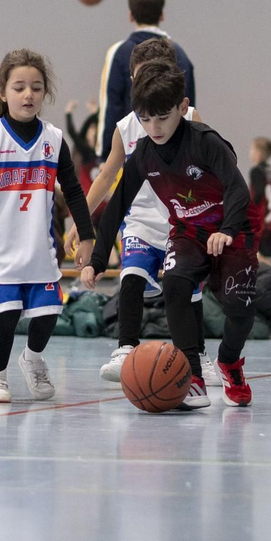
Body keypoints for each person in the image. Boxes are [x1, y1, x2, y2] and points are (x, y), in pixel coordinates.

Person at [82, 60, 258, 408]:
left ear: (183, 106)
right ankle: (193, 377)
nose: (154, 127)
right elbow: (117, 205)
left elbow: (238, 188)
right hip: (188, 231)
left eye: (162, 117)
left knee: (239, 308)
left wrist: (226, 230)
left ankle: (229, 361)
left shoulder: (205, 142)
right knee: (175, 282)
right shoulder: (144, 154)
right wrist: (98, 260)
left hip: (232, 229)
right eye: (145, 119)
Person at [0, 50, 94, 404]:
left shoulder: (54, 139)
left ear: (45, 94)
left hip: (39, 248)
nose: (28, 95)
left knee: (49, 313)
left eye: (36, 88)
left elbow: (73, 190)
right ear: (2, 92)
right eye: (19, 87)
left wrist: (87, 236)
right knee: (6, 314)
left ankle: (33, 359)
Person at [80, 37, 210, 385]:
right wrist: (80, 219)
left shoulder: (189, 117)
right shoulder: (126, 127)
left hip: (181, 220)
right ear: (133, 81)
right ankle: (125, 348)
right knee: (131, 277)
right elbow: (107, 176)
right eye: (143, 77)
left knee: (189, 290)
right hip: (139, 218)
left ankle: (198, 355)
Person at [97, 0, 195, 160]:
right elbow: (188, 102)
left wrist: (105, 153)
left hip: (131, 149)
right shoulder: (179, 53)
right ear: (162, 15)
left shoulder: (119, 52)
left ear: (131, 16)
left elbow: (111, 105)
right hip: (177, 151)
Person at [247, 137, 271, 260]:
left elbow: (257, 193)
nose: (250, 152)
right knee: (265, 255)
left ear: (257, 153)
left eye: (252, 149)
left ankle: (268, 271)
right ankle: (269, 270)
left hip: (261, 220)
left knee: (255, 253)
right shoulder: (270, 170)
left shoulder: (256, 171)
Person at [64, 99, 100, 192]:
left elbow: (102, 131)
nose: (93, 133)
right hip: (87, 196)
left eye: (95, 130)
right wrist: (68, 113)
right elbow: (72, 132)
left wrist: (96, 114)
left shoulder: (100, 151)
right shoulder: (86, 152)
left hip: (99, 196)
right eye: (91, 130)